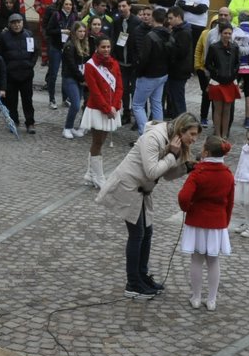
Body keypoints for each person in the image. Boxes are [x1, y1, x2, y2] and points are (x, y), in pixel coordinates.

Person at [98, 111, 201, 298]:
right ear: (182, 130)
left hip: (141, 191)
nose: (194, 139)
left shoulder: (175, 141)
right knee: (137, 234)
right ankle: (133, 283)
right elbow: (152, 171)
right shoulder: (154, 137)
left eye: (196, 135)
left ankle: (142, 276)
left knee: (147, 232)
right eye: (192, 134)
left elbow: (168, 175)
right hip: (128, 188)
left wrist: (187, 167)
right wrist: (171, 154)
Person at [178, 135, 235, 311]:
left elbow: (183, 197)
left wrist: (188, 208)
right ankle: (211, 300)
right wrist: (225, 221)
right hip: (217, 222)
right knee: (213, 261)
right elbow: (230, 201)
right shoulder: (227, 174)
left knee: (196, 260)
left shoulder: (198, 172)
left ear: (206, 152)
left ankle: (196, 297)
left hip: (197, 221)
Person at [81, 35, 122, 186]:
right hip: (98, 109)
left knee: (101, 141)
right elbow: (95, 91)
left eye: (108, 47)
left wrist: (115, 106)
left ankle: (90, 174)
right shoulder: (90, 66)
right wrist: (106, 108)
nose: (106, 50)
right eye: (103, 47)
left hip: (111, 108)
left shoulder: (115, 64)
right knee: (97, 142)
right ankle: (99, 177)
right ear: (97, 48)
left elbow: (119, 87)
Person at [0, 12, 37, 134]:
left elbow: (35, 52)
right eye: (14, 23)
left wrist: (31, 64)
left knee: (27, 100)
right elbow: (0, 54)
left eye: (18, 22)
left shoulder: (29, 35)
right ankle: (14, 121)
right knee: (11, 101)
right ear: (10, 24)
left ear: (22, 23)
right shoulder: (3, 36)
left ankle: (30, 122)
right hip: (11, 74)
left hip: (26, 73)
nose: (16, 25)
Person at [204, 21, 241, 140]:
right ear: (221, 33)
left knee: (227, 110)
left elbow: (237, 63)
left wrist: (233, 75)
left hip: (230, 81)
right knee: (217, 109)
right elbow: (208, 64)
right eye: (225, 33)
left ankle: (224, 134)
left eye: (229, 33)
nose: (227, 35)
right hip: (217, 82)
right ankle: (217, 134)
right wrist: (216, 74)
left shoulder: (235, 47)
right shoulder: (214, 47)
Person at [60, 20, 90, 138]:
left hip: (80, 78)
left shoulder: (84, 45)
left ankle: (71, 126)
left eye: (83, 31)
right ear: (74, 32)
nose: (82, 34)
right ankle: (67, 127)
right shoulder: (70, 46)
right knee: (76, 104)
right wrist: (82, 78)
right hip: (71, 78)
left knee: (77, 104)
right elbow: (71, 65)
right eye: (79, 31)